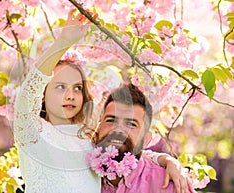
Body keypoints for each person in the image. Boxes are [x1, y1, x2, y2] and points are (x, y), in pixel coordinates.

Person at [14, 9, 191, 193]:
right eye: (60, 86)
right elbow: (28, 94)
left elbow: (126, 149)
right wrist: (63, 43)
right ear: (42, 92)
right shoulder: (32, 132)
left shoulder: (86, 141)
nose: (70, 95)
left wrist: (167, 160)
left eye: (77, 87)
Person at [93, 84, 196, 193]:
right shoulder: (79, 170)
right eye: (111, 120)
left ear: (146, 140)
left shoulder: (170, 186)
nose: (118, 129)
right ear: (97, 129)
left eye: (130, 123)